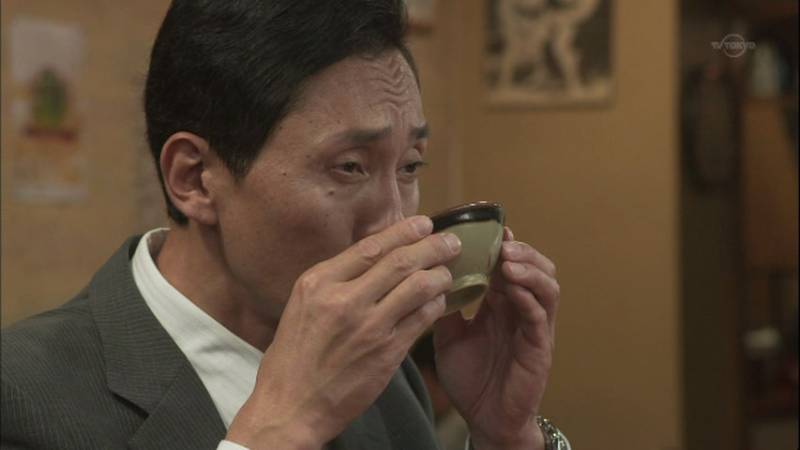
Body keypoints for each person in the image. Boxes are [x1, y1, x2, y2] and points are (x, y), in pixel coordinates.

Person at [1, 1, 569, 449]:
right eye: (350, 167)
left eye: (410, 167)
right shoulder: (24, 394)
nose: (396, 223)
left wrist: (505, 437)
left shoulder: (383, 372)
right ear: (194, 179)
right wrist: (282, 429)